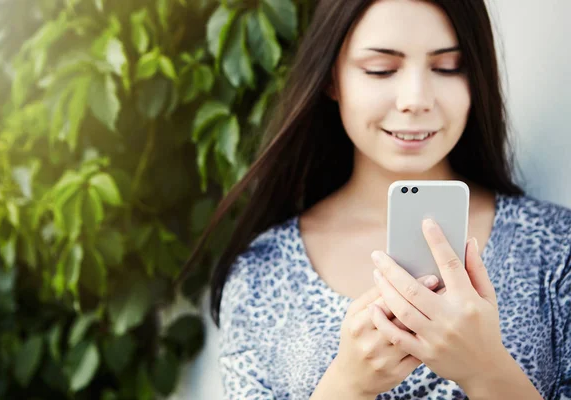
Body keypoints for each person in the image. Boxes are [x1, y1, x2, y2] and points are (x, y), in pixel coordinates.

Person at [180, 0, 571, 398]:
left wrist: (487, 370)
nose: (415, 99)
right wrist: (347, 385)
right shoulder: (261, 272)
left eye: (448, 66)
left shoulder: (556, 248)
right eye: (381, 69)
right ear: (332, 77)